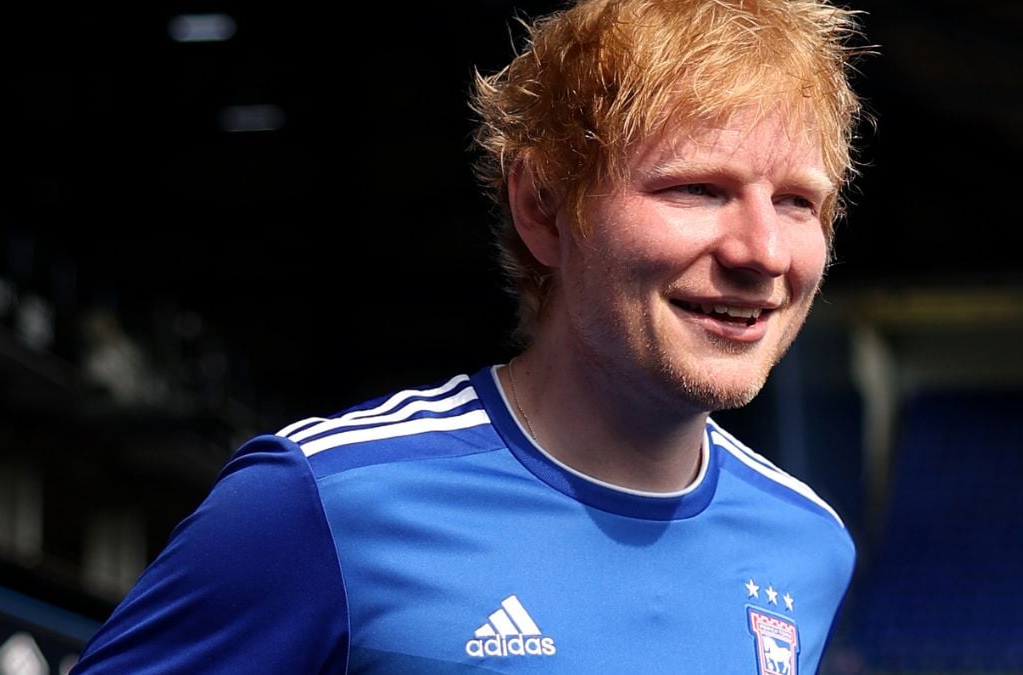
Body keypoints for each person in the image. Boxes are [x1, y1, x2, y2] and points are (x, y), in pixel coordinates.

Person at [73, 0, 870, 672]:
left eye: (800, 202)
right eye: (699, 188)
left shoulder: (808, 546)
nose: (762, 251)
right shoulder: (321, 503)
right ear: (544, 207)